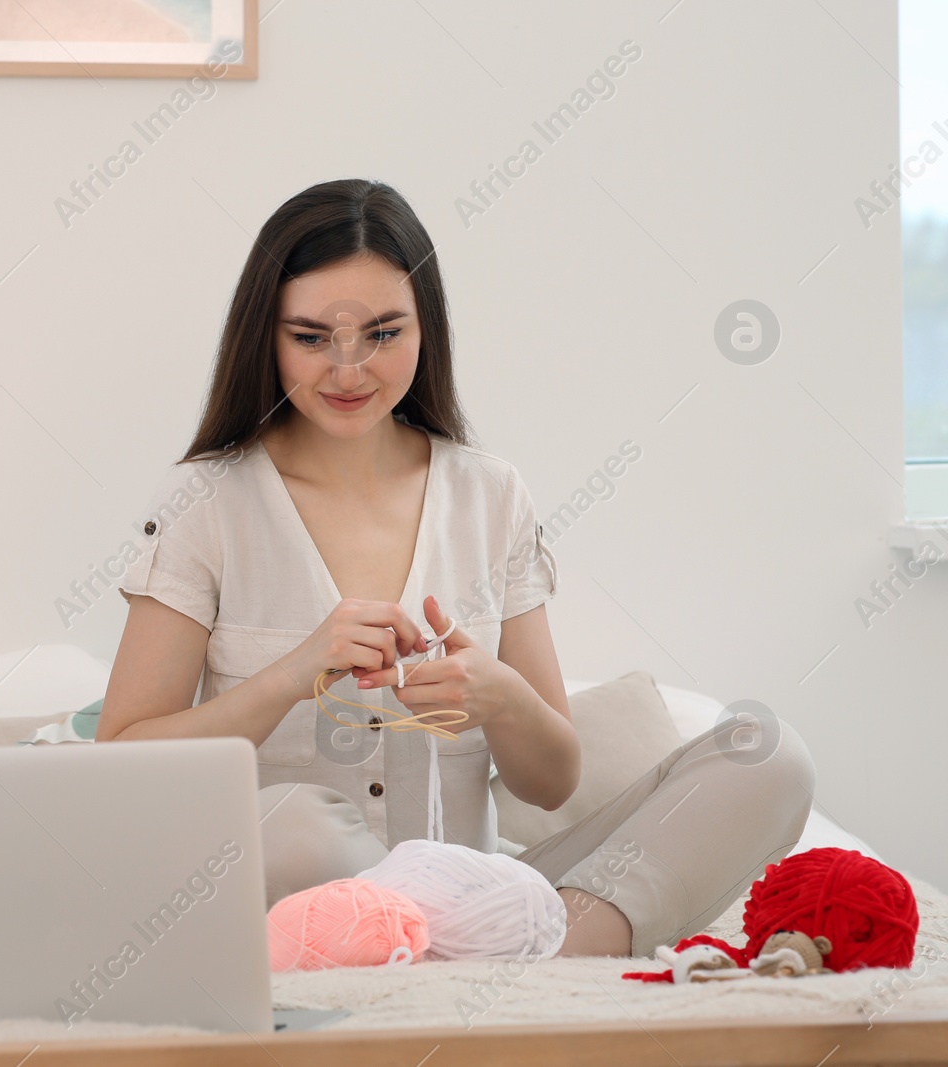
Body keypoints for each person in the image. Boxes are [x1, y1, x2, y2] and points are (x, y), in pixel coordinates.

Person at [95, 178, 815, 959]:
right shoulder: (206, 500)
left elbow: (551, 782)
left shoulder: (491, 493)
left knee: (767, 755)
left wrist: (502, 699)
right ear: (264, 338)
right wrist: (292, 673)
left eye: (382, 333)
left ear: (426, 328)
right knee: (299, 825)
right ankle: (490, 961)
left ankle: (527, 955)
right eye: (310, 337)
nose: (348, 369)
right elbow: (128, 763)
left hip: (487, 901)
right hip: (300, 896)